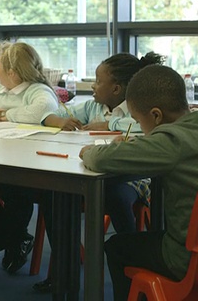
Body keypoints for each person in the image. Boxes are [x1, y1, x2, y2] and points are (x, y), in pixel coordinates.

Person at [78, 65, 198, 300]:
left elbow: (100, 158)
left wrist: (88, 151)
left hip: (196, 259)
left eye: (139, 121)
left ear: (156, 116)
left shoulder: (171, 141)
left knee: (117, 247)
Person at [33, 52, 164, 292]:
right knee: (55, 195)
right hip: (92, 171)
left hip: (132, 178)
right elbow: (49, 115)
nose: (93, 85)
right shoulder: (93, 107)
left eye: (97, 81)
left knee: (115, 194)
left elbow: (144, 126)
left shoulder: (138, 107)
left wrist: (110, 124)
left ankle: (131, 255)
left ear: (116, 89)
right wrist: (58, 121)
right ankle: (63, 271)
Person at [0, 41, 59, 274]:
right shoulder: (0, 90)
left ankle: (13, 242)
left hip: (31, 165)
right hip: (0, 159)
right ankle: (14, 240)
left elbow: (41, 111)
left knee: (17, 191)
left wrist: (7, 115)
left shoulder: (37, 90)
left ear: (12, 73)